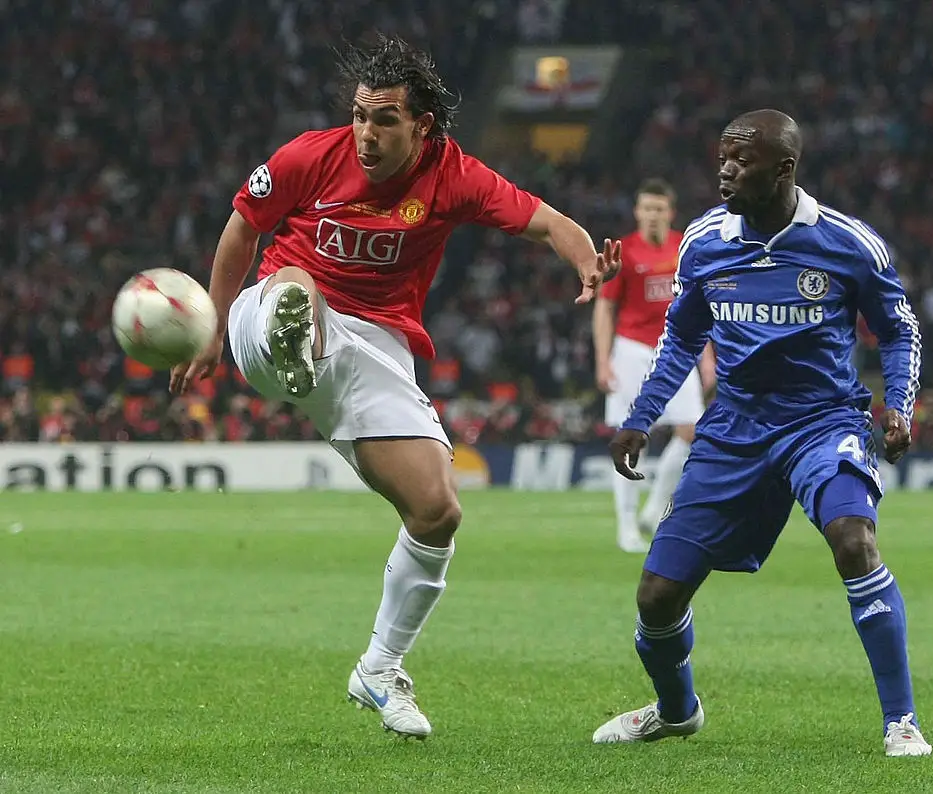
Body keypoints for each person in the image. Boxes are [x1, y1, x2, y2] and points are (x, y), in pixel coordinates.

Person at [169, 35, 619, 739]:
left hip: (374, 343)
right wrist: (211, 329)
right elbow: (240, 234)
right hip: (268, 311)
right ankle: (297, 340)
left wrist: (586, 262)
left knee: (437, 508)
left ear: (422, 127)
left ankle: (380, 668)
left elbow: (548, 222)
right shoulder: (308, 157)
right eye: (359, 115)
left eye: (383, 119)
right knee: (298, 285)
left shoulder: (455, 177)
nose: (366, 134)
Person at [592, 109, 931, 757]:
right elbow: (682, 337)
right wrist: (640, 417)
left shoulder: (847, 242)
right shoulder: (705, 241)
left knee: (853, 540)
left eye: (741, 160)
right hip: (733, 429)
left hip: (821, 420)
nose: (724, 169)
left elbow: (899, 329)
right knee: (657, 596)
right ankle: (675, 710)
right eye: (721, 156)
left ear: (783, 169)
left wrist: (900, 407)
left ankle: (902, 722)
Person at [593, 178, 715, 553]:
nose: (652, 215)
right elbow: (605, 306)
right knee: (632, 438)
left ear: (670, 212)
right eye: (646, 208)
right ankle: (626, 527)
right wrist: (603, 360)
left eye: (658, 209)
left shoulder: (685, 247)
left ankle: (656, 505)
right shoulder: (625, 252)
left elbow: (701, 307)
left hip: (678, 350)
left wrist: (707, 357)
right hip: (632, 350)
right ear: (636, 212)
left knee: (692, 431)